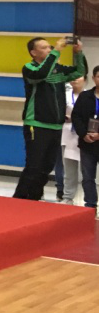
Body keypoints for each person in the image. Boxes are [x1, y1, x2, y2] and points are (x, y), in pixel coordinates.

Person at [14, 36, 86, 201]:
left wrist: (78, 53)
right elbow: (41, 74)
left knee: (46, 167)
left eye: (50, 47)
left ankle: (34, 198)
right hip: (36, 124)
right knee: (34, 165)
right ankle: (19, 199)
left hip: (55, 126)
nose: (49, 49)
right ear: (33, 52)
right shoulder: (30, 68)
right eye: (44, 48)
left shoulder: (57, 70)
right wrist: (57, 50)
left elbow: (79, 72)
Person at [69, 65, 99, 212]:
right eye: (98, 76)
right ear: (93, 78)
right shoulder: (85, 96)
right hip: (87, 143)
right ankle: (90, 205)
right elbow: (76, 116)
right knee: (88, 177)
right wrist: (83, 134)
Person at [56, 76, 84, 203]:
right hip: (67, 134)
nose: (75, 79)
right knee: (68, 169)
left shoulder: (88, 96)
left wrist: (76, 119)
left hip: (84, 134)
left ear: (85, 79)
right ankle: (67, 197)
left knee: (87, 169)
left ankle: (89, 199)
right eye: (73, 77)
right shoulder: (64, 95)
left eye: (78, 77)